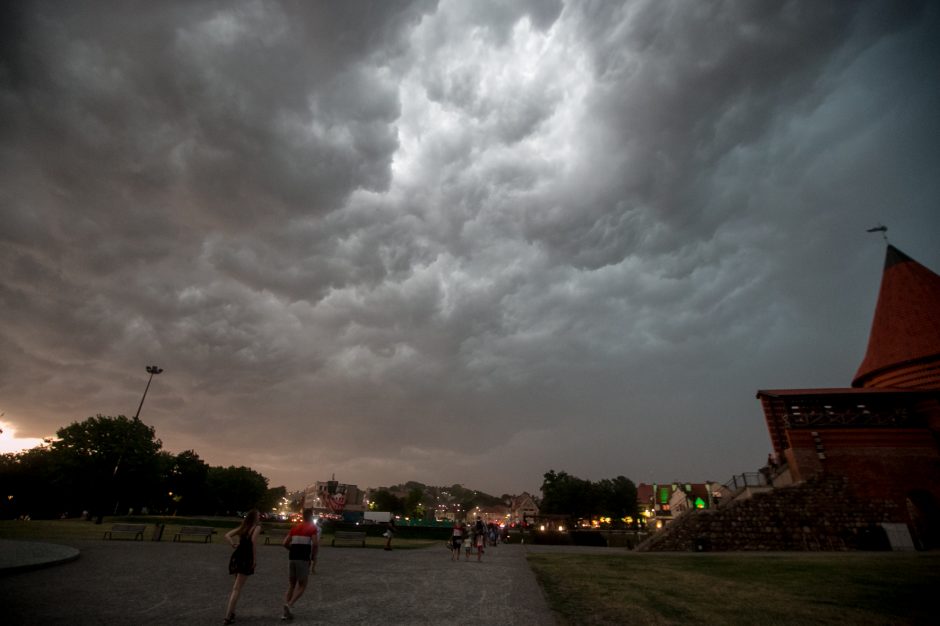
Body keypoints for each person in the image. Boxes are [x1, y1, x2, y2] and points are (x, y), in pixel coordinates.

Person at [224, 509, 262, 624]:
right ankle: (227, 617)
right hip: (246, 557)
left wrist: (232, 543)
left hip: (237, 556)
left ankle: (232, 613)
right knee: (237, 588)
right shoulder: (256, 528)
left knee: (236, 586)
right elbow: (253, 542)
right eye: (258, 515)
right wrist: (255, 559)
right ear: (254, 517)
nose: (260, 517)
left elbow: (227, 535)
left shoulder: (243, 527)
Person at [281, 508, 319, 621]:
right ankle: (290, 604)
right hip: (303, 559)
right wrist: (313, 556)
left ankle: (285, 612)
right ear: (311, 517)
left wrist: (292, 550)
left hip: (292, 558)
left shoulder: (295, 528)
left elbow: (284, 543)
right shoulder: (312, 528)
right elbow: (315, 544)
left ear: (302, 516)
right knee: (303, 585)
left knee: (291, 584)